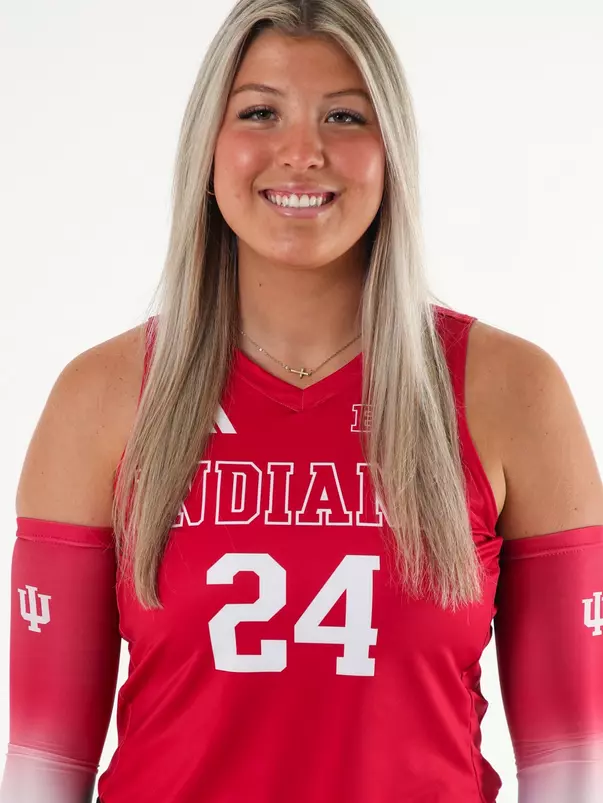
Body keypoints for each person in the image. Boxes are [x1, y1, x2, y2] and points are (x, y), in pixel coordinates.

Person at [2, 1, 603, 801]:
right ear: (208, 148)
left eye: (344, 116)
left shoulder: (512, 391)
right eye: (260, 112)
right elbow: (44, 765)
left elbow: (573, 767)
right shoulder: (102, 397)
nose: (302, 152)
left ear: (391, 151)